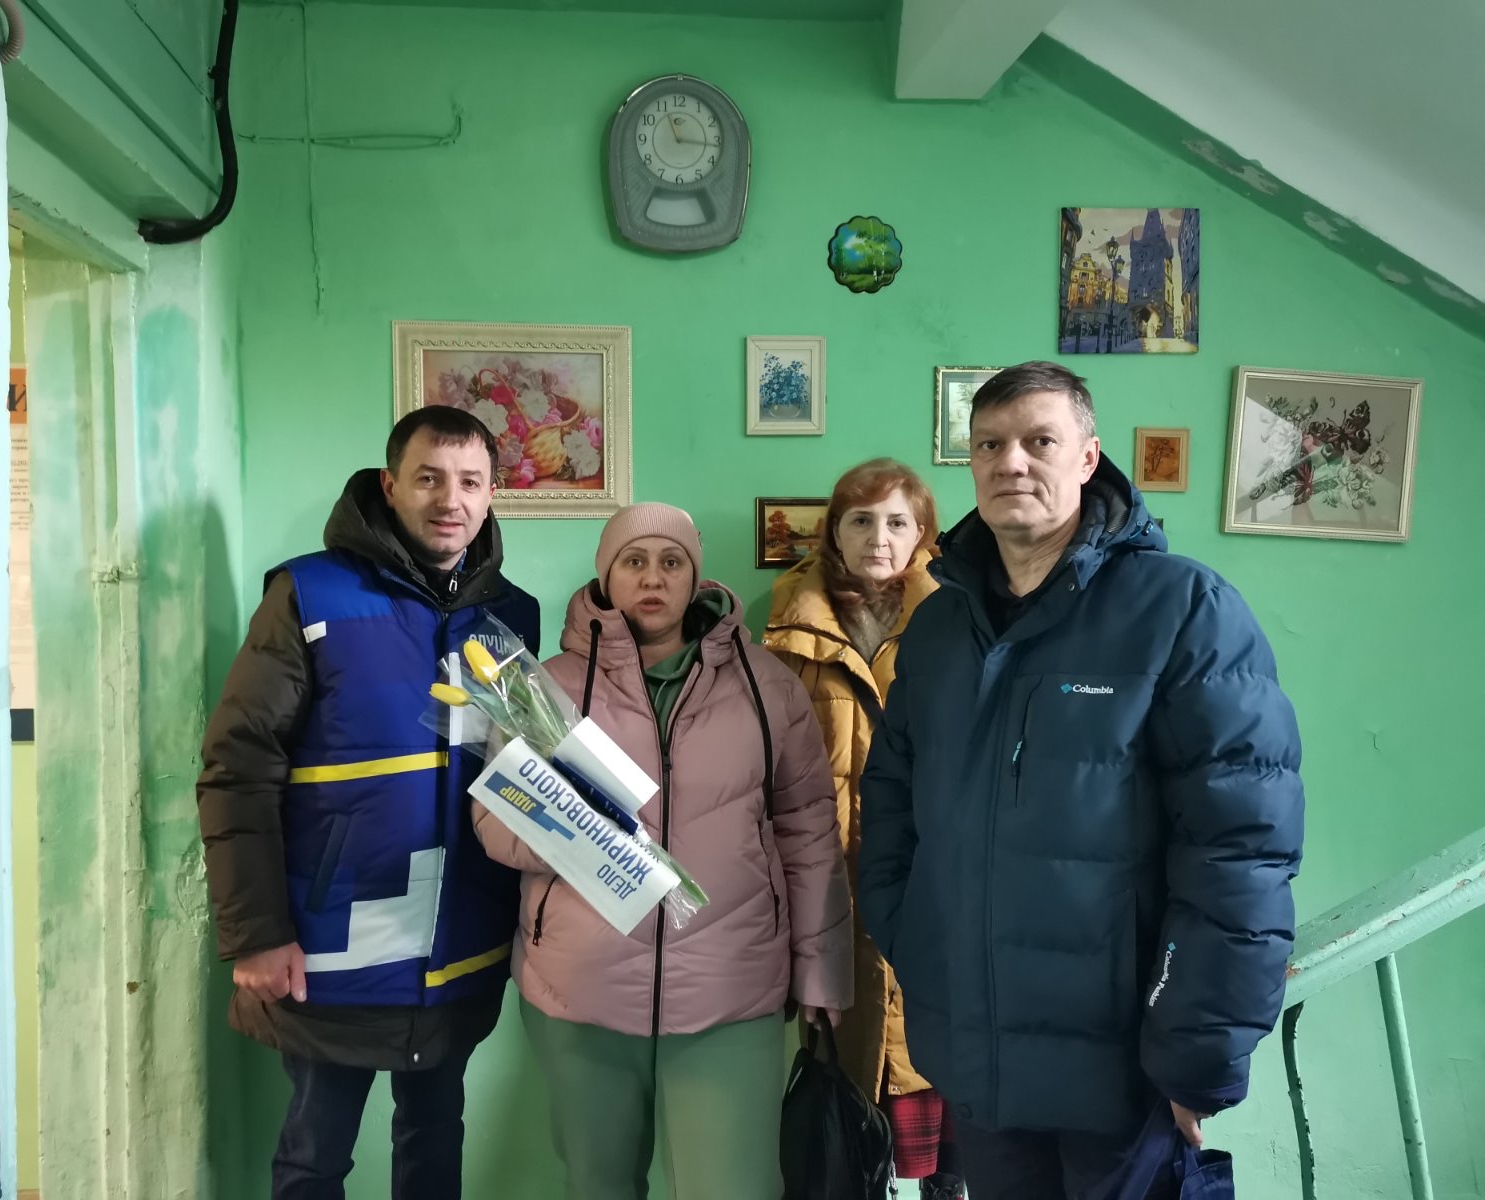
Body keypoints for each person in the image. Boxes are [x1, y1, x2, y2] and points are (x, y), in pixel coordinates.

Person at [859, 361, 1304, 1199]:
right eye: (989, 444)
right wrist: (912, 940)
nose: (1010, 462)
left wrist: (1199, 1055)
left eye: (1039, 440)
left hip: (1125, 1077)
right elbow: (890, 803)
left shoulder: (1184, 610)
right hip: (979, 1063)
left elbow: (1241, 850)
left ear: (1089, 457)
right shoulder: (939, 627)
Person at [197, 406, 540, 1200]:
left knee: (434, 1139)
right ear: (390, 486)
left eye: (470, 482)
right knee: (315, 1157)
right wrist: (257, 933)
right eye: (428, 479)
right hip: (332, 945)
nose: (450, 500)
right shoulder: (310, 593)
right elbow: (237, 768)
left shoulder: (511, 614)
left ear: (492, 494)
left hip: (463, 940)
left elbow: (521, 771)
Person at [474, 502, 851, 1200]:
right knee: (598, 1187)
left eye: (671, 562)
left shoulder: (767, 686)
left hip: (731, 990)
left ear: (695, 577)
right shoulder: (546, 688)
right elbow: (495, 826)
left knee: (732, 1190)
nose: (653, 578)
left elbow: (807, 830)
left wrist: (821, 970)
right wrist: (579, 830)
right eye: (634, 561)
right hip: (581, 991)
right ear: (605, 575)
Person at [763, 459, 965, 1199]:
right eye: (861, 520)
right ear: (834, 534)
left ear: (923, 535)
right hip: (830, 893)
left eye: (897, 522)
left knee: (947, 1102)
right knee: (843, 1120)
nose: (879, 538)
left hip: (933, 888)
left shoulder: (958, 621)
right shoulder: (786, 631)